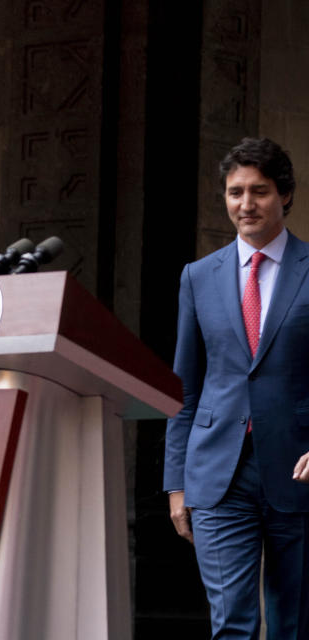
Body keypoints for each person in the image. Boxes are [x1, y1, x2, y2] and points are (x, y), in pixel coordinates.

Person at [164, 137, 309, 639]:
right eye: (235, 192)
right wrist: (176, 482)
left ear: (285, 195)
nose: (245, 204)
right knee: (232, 625)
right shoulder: (198, 277)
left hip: (298, 470)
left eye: (260, 191)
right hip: (217, 472)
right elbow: (183, 385)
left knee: (293, 623)